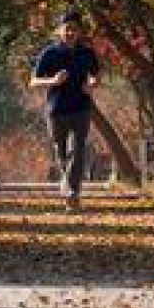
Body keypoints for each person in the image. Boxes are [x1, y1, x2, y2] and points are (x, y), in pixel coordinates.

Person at [30, 11, 100, 210]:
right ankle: (68, 186)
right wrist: (52, 80)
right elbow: (33, 81)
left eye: (74, 29)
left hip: (81, 108)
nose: (70, 32)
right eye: (67, 28)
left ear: (79, 32)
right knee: (61, 154)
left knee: (77, 151)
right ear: (59, 31)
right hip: (56, 110)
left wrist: (92, 84)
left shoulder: (87, 53)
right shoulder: (49, 53)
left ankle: (72, 192)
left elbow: (95, 76)